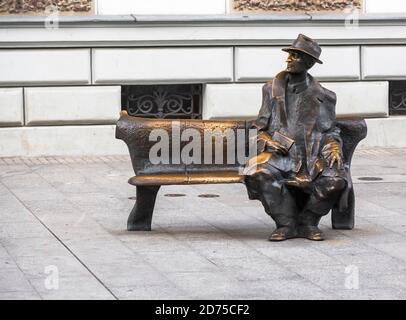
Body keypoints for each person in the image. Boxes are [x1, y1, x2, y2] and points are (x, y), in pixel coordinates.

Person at [244, 34, 348, 241]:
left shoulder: (325, 96)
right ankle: (286, 223)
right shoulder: (271, 89)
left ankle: (308, 222)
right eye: (290, 54)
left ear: (309, 63)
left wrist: (334, 148)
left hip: (312, 157)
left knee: (335, 180)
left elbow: (330, 131)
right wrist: (268, 142)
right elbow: (258, 127)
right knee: (257, 171)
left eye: (295, 56)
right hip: (280, 156)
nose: (289, 59)